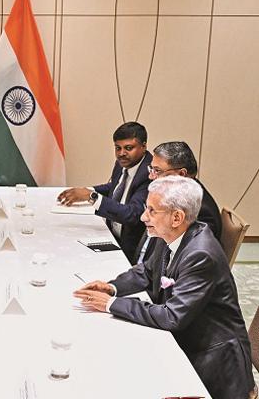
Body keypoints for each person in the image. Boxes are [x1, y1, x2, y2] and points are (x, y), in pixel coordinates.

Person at [74, 176, 255, 399]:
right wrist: (112, 288)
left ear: (177, 217)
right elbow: (147, 271)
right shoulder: (172, 233)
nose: (143, 217)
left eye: (151, 211)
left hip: (214, 365)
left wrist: (111, 305)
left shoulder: (200, 254)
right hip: (189, 340)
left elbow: (172, 316)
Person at [58, 122, 152, 260]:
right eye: (117, 148)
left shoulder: (150, 173)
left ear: (144, 146)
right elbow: (115, 187)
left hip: (129, 249)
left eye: (128, 148)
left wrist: (92, 196)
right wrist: (87, 191)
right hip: (110, 234)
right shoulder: (123, 163)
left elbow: (132, 214)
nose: (121, 154)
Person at [135, 141, 223, 264]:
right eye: (151, 169)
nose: (150, 176)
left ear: (181, 174)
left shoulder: (200, 213)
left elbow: (178, 265)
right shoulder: (170, 196)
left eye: (157, 171)